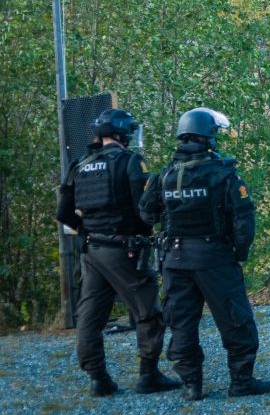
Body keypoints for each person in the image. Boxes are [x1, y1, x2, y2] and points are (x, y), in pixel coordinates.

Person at [139, 108, 270, 401]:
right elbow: (243, 221)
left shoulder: (165, 175)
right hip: (214, 257)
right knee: (235, 319)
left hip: (174, 259)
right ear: (209, 136)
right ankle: (241, 381)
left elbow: (147, 213)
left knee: (182, 323)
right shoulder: (224, 173)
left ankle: (191, 385)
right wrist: (239, 254)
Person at [55, 109, 180, 397]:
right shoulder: (131, 162)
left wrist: (85, 229)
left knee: (90, 317)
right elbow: (145, 209)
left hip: (92, 251)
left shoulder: (79, 164)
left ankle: (98, 379)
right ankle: (148, 375)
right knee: (148, 312)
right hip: (125, 251)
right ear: (123, 134)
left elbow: (63, 212)